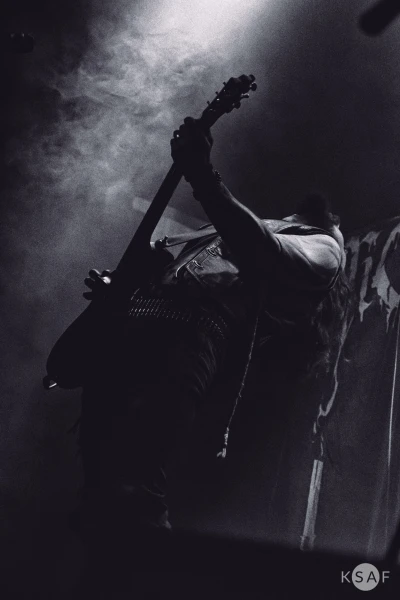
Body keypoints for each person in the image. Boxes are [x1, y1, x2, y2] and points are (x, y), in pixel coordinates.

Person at [71, 117, 348, 538]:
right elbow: (181, 272)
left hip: (183, 340)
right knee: (96, 489)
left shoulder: (326, 246)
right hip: (130, 333)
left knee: (135, 488)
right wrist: (126, 285)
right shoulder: (229, 230)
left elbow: (262, 249)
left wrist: (203, 174)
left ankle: (140, 569)